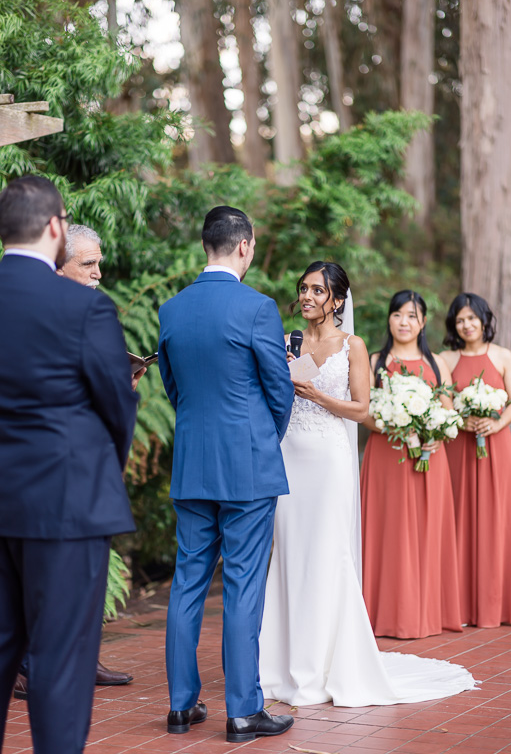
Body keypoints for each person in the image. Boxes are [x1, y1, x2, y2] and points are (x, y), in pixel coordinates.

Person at [259, 270, 475, 707]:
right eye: (303, 288)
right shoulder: (289, 339)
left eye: (317, 290)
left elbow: (360, 409)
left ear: (337, 301)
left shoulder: (353, 346)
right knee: (289, 553)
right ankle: (281, 664)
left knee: (327, 552)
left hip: (331, 460)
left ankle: (328, 664)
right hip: (290, 457)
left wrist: (318, 397)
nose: (307, 296)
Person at [0, 176, 138, 754]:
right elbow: (116, 407)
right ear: (57, 227)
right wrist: (102, 469)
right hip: (67, 506)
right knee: (60, 665)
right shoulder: (86, 306)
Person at [158, 206, 296, 743]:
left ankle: (179, 706)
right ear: (244, 246)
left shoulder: (172, 309)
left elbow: (174, 390)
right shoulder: (258, 308)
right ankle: (241, 711)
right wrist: (262, 437)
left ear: (205, 246)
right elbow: (279, 392)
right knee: (242, 586)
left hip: (193, 463)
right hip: (248, 467)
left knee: (187, 581)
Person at [361, 290, 462, 639]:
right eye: (398, 315)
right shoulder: (375, 360)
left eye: (412, 316)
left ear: (423, 323)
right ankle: (384, 613)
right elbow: (363, 413)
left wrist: (438, 432)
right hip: (387, 456)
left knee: (426, 530)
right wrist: (395, 424)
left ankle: (426, 612)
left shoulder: (438, 363)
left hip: (430, 458)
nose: (404, 322)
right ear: (389, 319)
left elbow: (450, 412)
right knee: (388, 530)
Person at [440, 293, 511, 627]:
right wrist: (460, 419)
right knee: (460, 515)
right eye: (460, 320)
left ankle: (495, 605)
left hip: (496, 446)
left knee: (497, 518)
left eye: (472, 318)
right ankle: (462, 605)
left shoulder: (502, 356)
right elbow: (442, 399)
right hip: (460, 447)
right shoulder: (447, 359)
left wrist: (497, 422)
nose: (467, 325)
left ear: (484, 319)